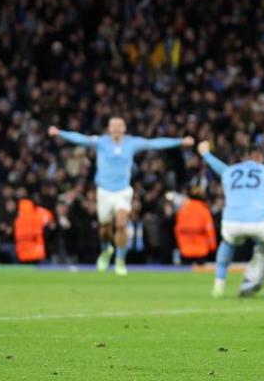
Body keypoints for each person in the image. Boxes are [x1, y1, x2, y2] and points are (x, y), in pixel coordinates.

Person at [48, 118, 195, 275]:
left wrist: (180, 141)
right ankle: (106, 251)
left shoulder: (132, 143)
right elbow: (81, 138)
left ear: (125, 129)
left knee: (121, 224)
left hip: (123, 191)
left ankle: (120, 260)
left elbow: (155, 143)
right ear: (109, 129)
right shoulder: (101, 142)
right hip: (104, 191)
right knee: (104, 229)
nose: (117, 129)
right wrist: (59, 133)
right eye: (114, 126)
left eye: (120, 126)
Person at [196, 141, 264, 298]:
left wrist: (205, 153)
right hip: (262, 223)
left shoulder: (231, 171)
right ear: (259, 156)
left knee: (228, 242)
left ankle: (219, 286)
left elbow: (218, 167)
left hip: (231, 222)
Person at [168, 189, 217, 265]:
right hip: (201, 250)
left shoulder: (183, 210)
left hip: (185, 249)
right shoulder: (204, 211)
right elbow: (209, 229)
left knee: (185, 275)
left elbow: (177, 229)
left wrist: (179, 245)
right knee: (201, 275)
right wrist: (212, 247)